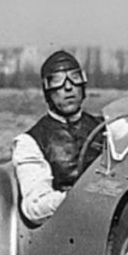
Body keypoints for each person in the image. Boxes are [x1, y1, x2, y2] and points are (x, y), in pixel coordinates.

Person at [13, 50, 102, 223]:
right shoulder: (30, 142)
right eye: (57, 81)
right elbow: (34, 206)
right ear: (47, 91)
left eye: (75, 78)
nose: (68, 87)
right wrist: (74, 198)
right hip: (65, 226)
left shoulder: (106, 127)